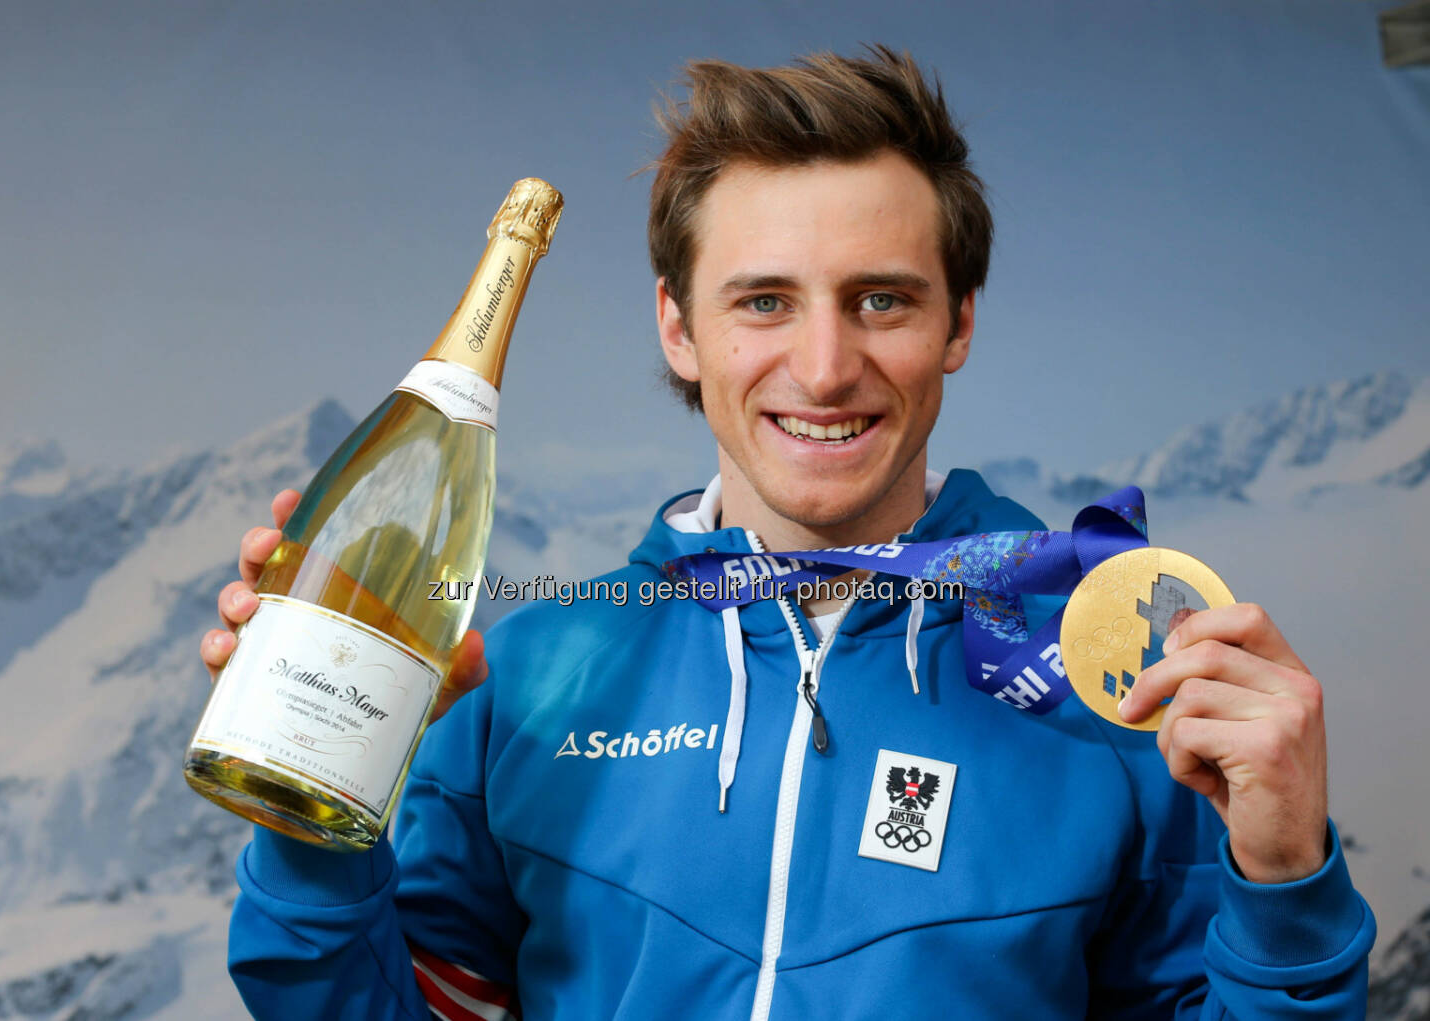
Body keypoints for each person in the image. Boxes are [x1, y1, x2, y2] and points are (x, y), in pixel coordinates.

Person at [204, 48, 1375, 1019]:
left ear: (958, 321)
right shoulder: (527, 676)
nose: (823, 368)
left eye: (883, 299)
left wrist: (1284, 880)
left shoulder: (1115, 672)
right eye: (763, 300)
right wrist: (315, 806)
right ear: (678, 327)